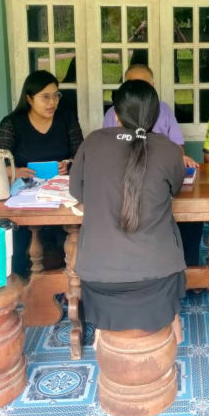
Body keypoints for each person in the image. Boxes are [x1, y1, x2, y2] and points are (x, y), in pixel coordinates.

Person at [69, 80, 186, 344]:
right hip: (159, 273)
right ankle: (173, 340)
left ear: (117, 115)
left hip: (99, 274)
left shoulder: (93, 142)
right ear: (155, 115)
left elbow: (77, 192)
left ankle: (104, 337)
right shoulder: (168, 149)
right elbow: (176, 188)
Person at [102, 64, 202, 267]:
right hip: (124, 183)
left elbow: (177, 147)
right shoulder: (113, 113)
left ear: (153, 87)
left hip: (159, 178)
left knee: (192, 216)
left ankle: (189, 266)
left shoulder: (163, 110)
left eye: (144, 85)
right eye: (132, 84)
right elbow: (108, 152)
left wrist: (179, 158)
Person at [0, 70, 84, 275]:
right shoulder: (12, 123)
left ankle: (66, 280)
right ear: (29, 99)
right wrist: (15, 171)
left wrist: (68, 164)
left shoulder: (66, 118)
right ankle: (21, 279)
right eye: (45, 97)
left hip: (60, 192)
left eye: (56, 95)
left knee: (69, 236)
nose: (52, 102)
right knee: (18, 240)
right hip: (23, 193)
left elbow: (81, 154)